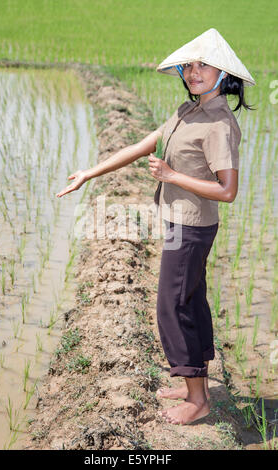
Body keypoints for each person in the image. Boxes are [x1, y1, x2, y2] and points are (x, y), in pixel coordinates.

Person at [56, 28, 256, 426]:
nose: (193, 71)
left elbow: (228, 190)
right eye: (189, 65)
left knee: (172, 306)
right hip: (177, 223)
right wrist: (89, 173)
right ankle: (191, 380)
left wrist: (171, 175)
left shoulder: (218, 122)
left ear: (224, 73)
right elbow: (145, 143)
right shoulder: (189, 110)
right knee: (190, 299)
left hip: (193, 227)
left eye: (203, 65)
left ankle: (198, 400)